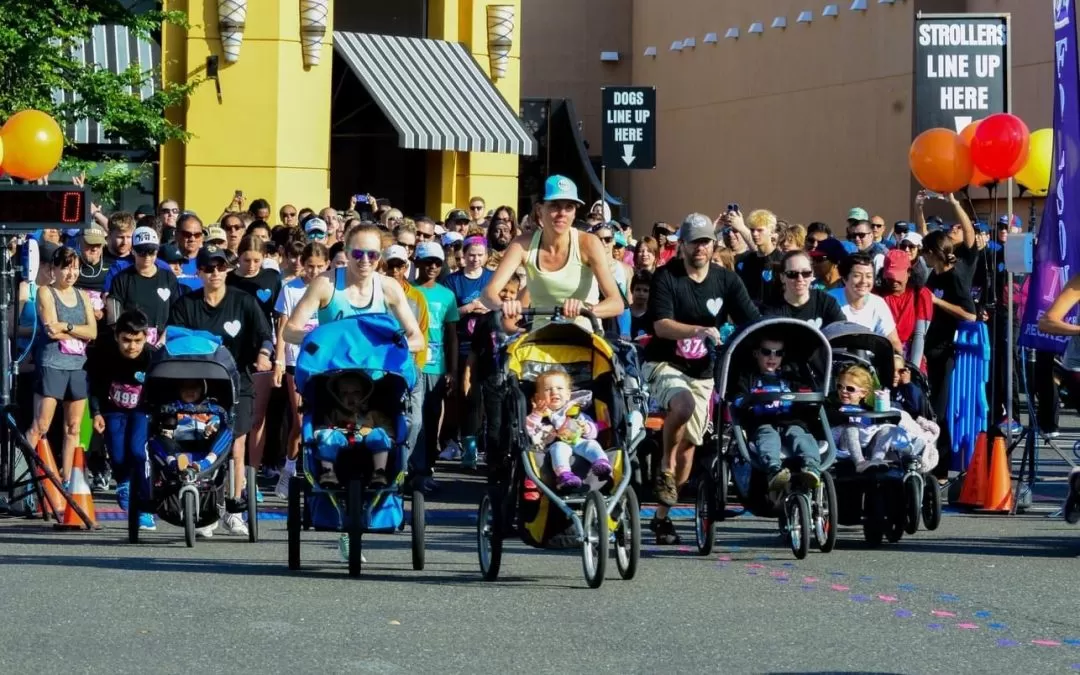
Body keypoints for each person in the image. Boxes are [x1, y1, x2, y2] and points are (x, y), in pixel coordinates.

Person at [642, 213, 760, 544]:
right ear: (682, 245)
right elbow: (661, 325)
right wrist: (698, 329)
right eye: (694, 241)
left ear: (713, 244)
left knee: (690, 448)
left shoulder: (726, 280)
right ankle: (664, 464)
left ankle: (663, 517)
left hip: (704, 371)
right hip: (665, 363)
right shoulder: (667, 277)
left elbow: (750, 319)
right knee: (683, 405)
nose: (700, 248)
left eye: (706, 241)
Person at [169, 245, 274, 536]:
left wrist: (264, 354)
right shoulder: (185, 304)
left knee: (236, 445)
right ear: (199, 272)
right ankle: (205, 507)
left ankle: (233, 507)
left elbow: (266, 335)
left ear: (227, 269)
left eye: (220, 267)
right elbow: (173, 340)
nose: (214, 272)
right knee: (201, 441)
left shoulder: (244, 301)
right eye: (208, 268)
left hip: (238, 381)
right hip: (198, 384)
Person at [481, 175, 625, 326]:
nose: (562, 213)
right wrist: (504, 306)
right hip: (541, 339)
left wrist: (587, 309)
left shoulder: (589, 243)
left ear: (575, 212)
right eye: (555, 206)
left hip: (583, 338)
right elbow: (488, 293)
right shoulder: (522, 244)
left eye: (569, 207)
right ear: (539, 209)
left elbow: (616, 303)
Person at [283, 224, 424, 349]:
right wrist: (323, 339)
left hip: (373, 375)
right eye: (358, 253)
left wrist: (384, 347)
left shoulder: (389, 287)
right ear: (346, 253)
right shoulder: (324, 283)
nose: (365, 260)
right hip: (333, 374)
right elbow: (289, 331)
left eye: (373, 254)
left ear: (380, 255)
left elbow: (417, 340)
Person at [27, 246, 98, 487]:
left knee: (74, 427)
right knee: (41, 425)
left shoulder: (83, 296)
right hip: (51, 363)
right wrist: (75, 332)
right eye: (66, 267)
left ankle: (68, 480)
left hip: (77, 366)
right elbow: (50, 328)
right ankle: (24, 477)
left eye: (76, 267)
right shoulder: (46, 292)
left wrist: (66, 327)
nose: (71, 273)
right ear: (53, 269)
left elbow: (92, 332)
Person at [226, 235, 283, 497]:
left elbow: (278, 319)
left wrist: (276, 356)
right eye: (246, 259)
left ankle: (251, 475)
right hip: (231, 351)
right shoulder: (228, 279)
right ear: (238, 257)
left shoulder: (272, 279)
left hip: (262, 351)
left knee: (256, 418)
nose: (251, 265)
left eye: (257, 260)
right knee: (230, 417)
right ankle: (232, 474)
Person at [87, 310, 154, 529]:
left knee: (137, 451)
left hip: (142, 410)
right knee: (117, 454)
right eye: (126, 340)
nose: (131, 346)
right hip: (113, 410)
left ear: (146, 337)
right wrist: (95, 412)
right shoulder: (104, 354)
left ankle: (145, 506)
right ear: (117, 336)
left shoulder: (152, 358)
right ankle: (123, 482)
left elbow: (163, 391)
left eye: (137, 341)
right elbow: (95, 387)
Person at [272, 242, 328, 498]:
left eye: (319, 266)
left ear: (327, 265)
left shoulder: (330, 289)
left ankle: (321, 468)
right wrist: (279, 360)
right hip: (296, 362)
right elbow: (282, 328)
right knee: (300, 419)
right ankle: (289, 469)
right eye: (309, 266)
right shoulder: (291, 289)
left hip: (325, 364)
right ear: (302, 264)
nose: (314, 272)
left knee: (322, 419)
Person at [732, 333, 821, 490]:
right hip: (762, 421)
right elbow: (739, 397)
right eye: (767, 352)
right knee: (768, 438)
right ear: (756, 353)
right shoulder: (749, 377)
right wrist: (746, 401)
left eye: (778, 353)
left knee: (801, 436)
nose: (772, 357)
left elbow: (804, 393)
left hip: (790, 420)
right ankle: (774, 470)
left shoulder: (790, 376)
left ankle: (811, 467)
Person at [921, 230, 977, 480]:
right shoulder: (934, 274)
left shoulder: (954, 277)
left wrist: (937, 302)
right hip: (929, 348)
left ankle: (941, 467)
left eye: (925, 252)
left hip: (946, 351)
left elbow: (970, 314)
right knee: (928, 407)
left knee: (939, 410)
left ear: (933, 253)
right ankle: (929, 461)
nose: (923, 256)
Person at [441, 236, 494, 467]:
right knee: (465, 395)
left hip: (487, 344)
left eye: (480, 255)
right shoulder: (453, 281)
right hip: (461, 344)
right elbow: (446, 312)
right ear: (463, 255)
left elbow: (505, 301)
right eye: (471, 254)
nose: (475, 259)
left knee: (485, 397)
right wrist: (469, 308)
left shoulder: (492, 278)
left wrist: (489, 307)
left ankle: (480, 446)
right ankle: (460, 444)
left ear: (486, 256)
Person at [411, 241, 459, 492]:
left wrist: (452, 370)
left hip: (437, 367)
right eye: (427, 261)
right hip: (412, 365)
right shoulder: (407, 290)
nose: (432, 266)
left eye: (437, 263)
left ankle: (427, 468)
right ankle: (413, 470)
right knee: (414, 419)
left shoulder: (447, 295)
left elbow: (451, 335)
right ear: (417, 262)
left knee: (431, 420)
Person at [831, 363, 939, 473]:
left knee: (886, 429)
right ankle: (860, 463)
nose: (843, 391)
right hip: (845, 447)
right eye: (840, 387)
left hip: (867, 446)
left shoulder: (868, 410)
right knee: (851, 428)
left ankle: (877, 459)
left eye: (850, 389)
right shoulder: (835, 407)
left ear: (863, 393)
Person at [525, 369, 611, 491]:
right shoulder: (540, 416)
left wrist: (586, 428)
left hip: (579, 442)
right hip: (554, 446)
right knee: (559, 448)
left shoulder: (575, 412)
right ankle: (564, 475)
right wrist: (536, 414)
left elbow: (594, 432)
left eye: (559, 388)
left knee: (592, 444)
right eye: (547, 389)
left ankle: (601, 463)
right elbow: (529, 431)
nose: (554, 391)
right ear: (538, 397)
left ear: (568, 395)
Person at [312, 372, 395, 488]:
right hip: (341, 443)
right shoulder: (335, 414)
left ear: (364, 394)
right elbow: (324, 428)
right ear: (338, 396)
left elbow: (387, 428)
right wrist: (320, 433)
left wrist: (389, 437)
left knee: (379, 433)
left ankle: (379, 472)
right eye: (344, 393)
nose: (350, 397)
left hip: (367, 444)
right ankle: (328, 472)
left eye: (356, 393)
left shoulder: (372, 414)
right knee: (327, 435)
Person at [106, 227, 179, 346]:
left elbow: (177, 315)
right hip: (131, 341)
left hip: (161, 341)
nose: (147, 257)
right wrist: (131, 341)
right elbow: (114, 318)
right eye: (142, 252)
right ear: (133, 251)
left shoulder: (169, 278)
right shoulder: (121, 279)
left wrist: (163, 341)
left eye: (151, 252)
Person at [829, 253, 903, 352]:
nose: (864, 281)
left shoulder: (878, 304)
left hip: (868, 362)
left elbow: (893, 341)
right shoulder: (829, 300)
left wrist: (897, 358)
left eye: (868, 276)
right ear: (844, 278)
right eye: (857, 276)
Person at [877, 249, 933, 370]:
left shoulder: (921, 294)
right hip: (882, 358)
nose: (894, 282)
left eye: (898, 277)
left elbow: (919, 335)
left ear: (909, 272)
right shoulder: (877, 295)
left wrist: (913, 369)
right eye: (890, 277)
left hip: (911, 356)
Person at [763, 250, 846, 326]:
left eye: (806, 273)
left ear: (812, 275)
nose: (800, 279)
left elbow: (842, 332)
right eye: (792, 274)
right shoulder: (771, 308)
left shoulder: (826, 302)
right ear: (782, 277)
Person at [734, 209, 785, 306]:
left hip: (774, 315)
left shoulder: (782, 261)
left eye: (760, 230)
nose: (755, 234)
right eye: (752, 230)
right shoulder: (744, 260)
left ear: (771, 231)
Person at [629, 270, 652, 340]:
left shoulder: (653, 315)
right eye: (638, 289)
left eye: (645, 290)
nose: (641, 294)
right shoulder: (625, 313)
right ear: (632, 290)